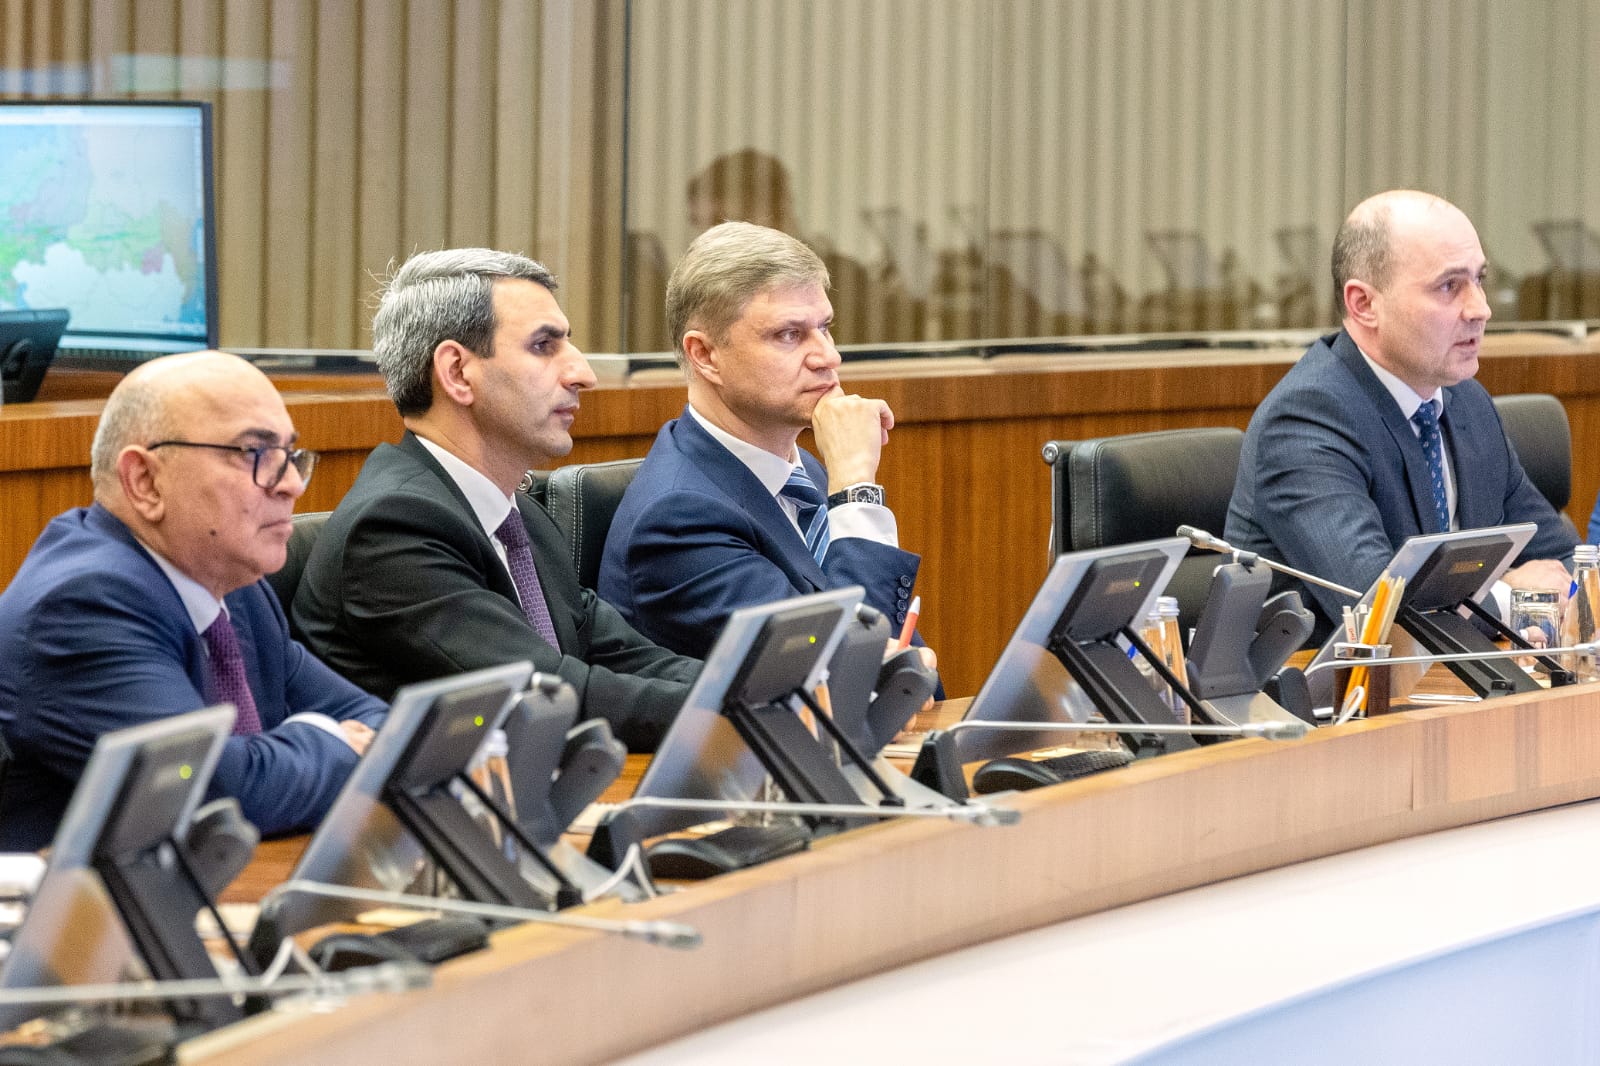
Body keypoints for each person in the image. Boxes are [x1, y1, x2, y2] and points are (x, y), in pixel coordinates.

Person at [292, 249, 699, 752]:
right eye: (544, 346)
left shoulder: (518, 514)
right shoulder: (392, 528)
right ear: (457, 373)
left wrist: (749, 686)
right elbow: (547, 695)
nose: (582, 373)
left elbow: (626, 657)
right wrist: (736, 705)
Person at [0, 351, 387, 850]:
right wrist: (338, 744)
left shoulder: (236, 587)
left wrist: (309, 751)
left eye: (291, 455)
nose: (291, 484)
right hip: (76, 899)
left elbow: (375, 719)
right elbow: (216, 792)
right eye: (254, 453)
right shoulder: (80, 606)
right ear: (145, 481)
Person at [1226, 190, 1575, 632]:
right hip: (1328, 676)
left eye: (1479, 279)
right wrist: (1513, 596)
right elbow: (1381, 610)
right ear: (1364, 304)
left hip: (1464, 671)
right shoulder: (1305, 422)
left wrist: (1557, 590)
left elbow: (1564, 560)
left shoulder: (1467, 402)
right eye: (1449, 286)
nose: (1481, 309)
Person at [600, 221, 934, 670]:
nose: (829, 356)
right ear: (704, 355)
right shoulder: (677, 522)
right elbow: (844, 674)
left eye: (825, 328)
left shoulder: (803, 471)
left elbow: (896, 657)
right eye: (789, 335)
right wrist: (856, 488)